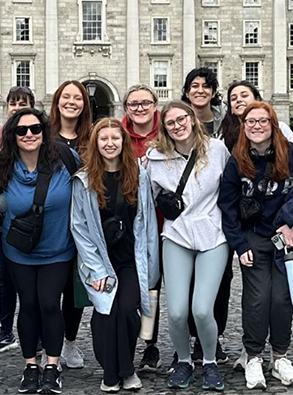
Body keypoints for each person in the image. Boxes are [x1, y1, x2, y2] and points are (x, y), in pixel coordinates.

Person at [218, 101, 293, 389]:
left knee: (282, 298)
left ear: (273, 124)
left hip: (288, 240)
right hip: (253, 238)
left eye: (263, 121)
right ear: (243, 127)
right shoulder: (237, 158)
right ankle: (253, 356)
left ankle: (280, 355)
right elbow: (227, 207)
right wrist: (239, 245)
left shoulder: (291, 155)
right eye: (251, 122)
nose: (256, 126)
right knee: (257, 299)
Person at [0, 108, 78, 394]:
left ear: (44, 132)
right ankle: (30, 365)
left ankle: (52, 365)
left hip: (58, 248)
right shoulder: (3, 166)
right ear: (13, 135)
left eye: (35, 129)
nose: (29, 134)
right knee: (28, 305)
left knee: (50, 303)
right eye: (22, 130)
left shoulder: (65, 158)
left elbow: (90, 185)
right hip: (19, 251)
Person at [146, 102, 231, 391]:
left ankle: (209, 362)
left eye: (181, 119)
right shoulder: (155, 158)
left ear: (192, 119)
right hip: (177, 235)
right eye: (170, 122)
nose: (177, 125)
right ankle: (183, 361)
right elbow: (149, 199)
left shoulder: (217, 150)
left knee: (202, 310)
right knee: (177, 311)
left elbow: (230, 189)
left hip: (212, 235)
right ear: (164, 128)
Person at [70, 118, 159, 392]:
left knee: (128, 310)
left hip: (131, 260)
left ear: (124, 142)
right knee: (106, 312)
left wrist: (152, 266)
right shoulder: (83, 180)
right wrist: (95, 270)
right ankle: (112, 372)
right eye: (104, 139)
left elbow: (148, 224)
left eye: (115, 138)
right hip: (100, 262)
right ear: (96, 143)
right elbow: (80, 227)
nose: (110, 144)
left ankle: (127, 368)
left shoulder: (139, 175)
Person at [0, 86, 36, 356]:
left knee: (33, 282)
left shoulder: (37, 136)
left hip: (34, 222)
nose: (16, 108)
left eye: (22, 103)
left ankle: (36, 331)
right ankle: (6, 331)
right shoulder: (1, 140)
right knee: (6, 279)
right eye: (13, 104)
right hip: (6, 223)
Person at [49, 80, 93, 369]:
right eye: (66, 97)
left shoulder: (91, 138)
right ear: (57, 101)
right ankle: (48, 341)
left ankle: (70, 341)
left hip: (81, 225)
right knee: (49, 289)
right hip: (51, 225)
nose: (71, 102)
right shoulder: (41, 133)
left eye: (77, 98)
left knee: (74, 290)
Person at [120, 84, 163, 372]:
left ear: (154, 104)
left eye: (145, 103)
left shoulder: (168, 131)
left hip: (163, 220)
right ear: (126, 108)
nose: (139, 108)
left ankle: (150, 343)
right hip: (128, 222)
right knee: (131, 286)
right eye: (133, 104)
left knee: (153, 286)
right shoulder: (118, 135)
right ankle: (126, 341)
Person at [219, 80, 293, 152]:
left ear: (257, 100)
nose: (238, 100)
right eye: (233, 99)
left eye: (244, 96)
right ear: (231, 109)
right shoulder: (224, 137)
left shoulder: (281, 128)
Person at [181, 67, 223, 137]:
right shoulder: (179, 122)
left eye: (206, 86)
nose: (200, 91)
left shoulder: (226, 121)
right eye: (195, 86)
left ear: (213, 93)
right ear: (187, 93)